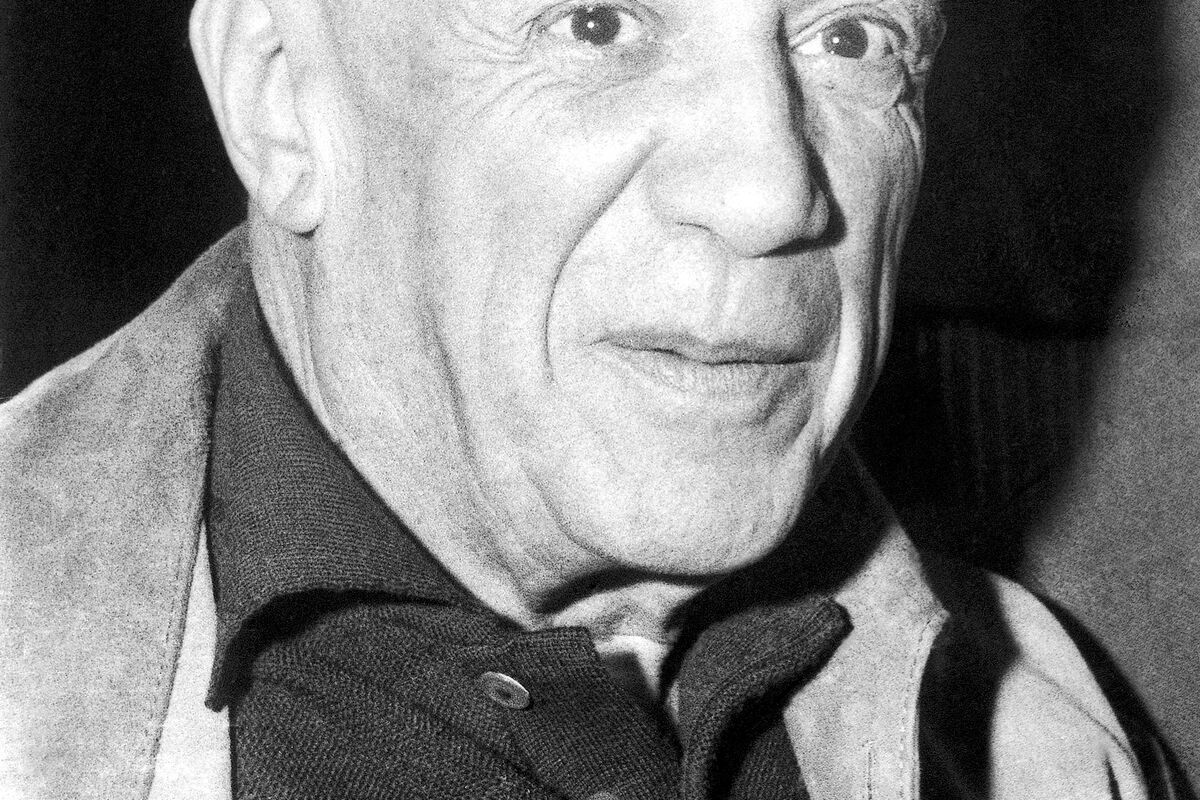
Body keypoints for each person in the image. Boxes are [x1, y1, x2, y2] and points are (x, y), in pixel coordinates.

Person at [0, 0, 1167, 797]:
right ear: (281, 100)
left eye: (852, 38)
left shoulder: (1038, 726)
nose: (771, 193)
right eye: (597, 24)